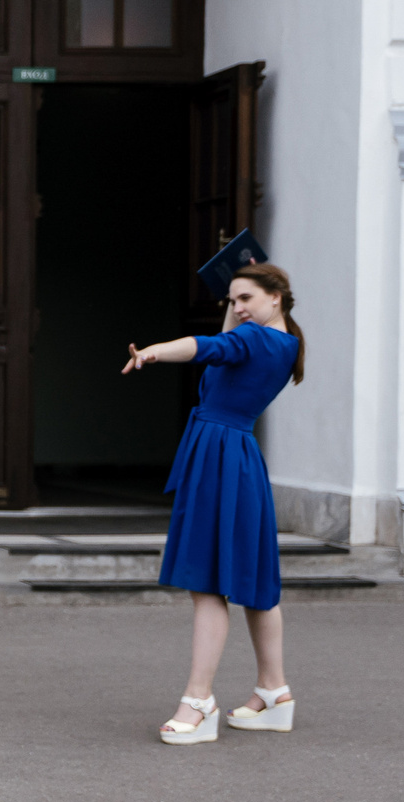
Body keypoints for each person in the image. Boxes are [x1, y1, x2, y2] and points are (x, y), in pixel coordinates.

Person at [122, 261, 306, 746]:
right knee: (253, 580)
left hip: (222, 455)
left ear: (276, 297)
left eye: (245, 298)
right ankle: (273, 693)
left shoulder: (257, 340)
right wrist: (234, 309)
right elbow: (221, 350)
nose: (237, 308)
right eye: (231, 300)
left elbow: (207, 348)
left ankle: (199, 702)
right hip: (234, 455)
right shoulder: (281, 343)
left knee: (208, 584)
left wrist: (155, 352)